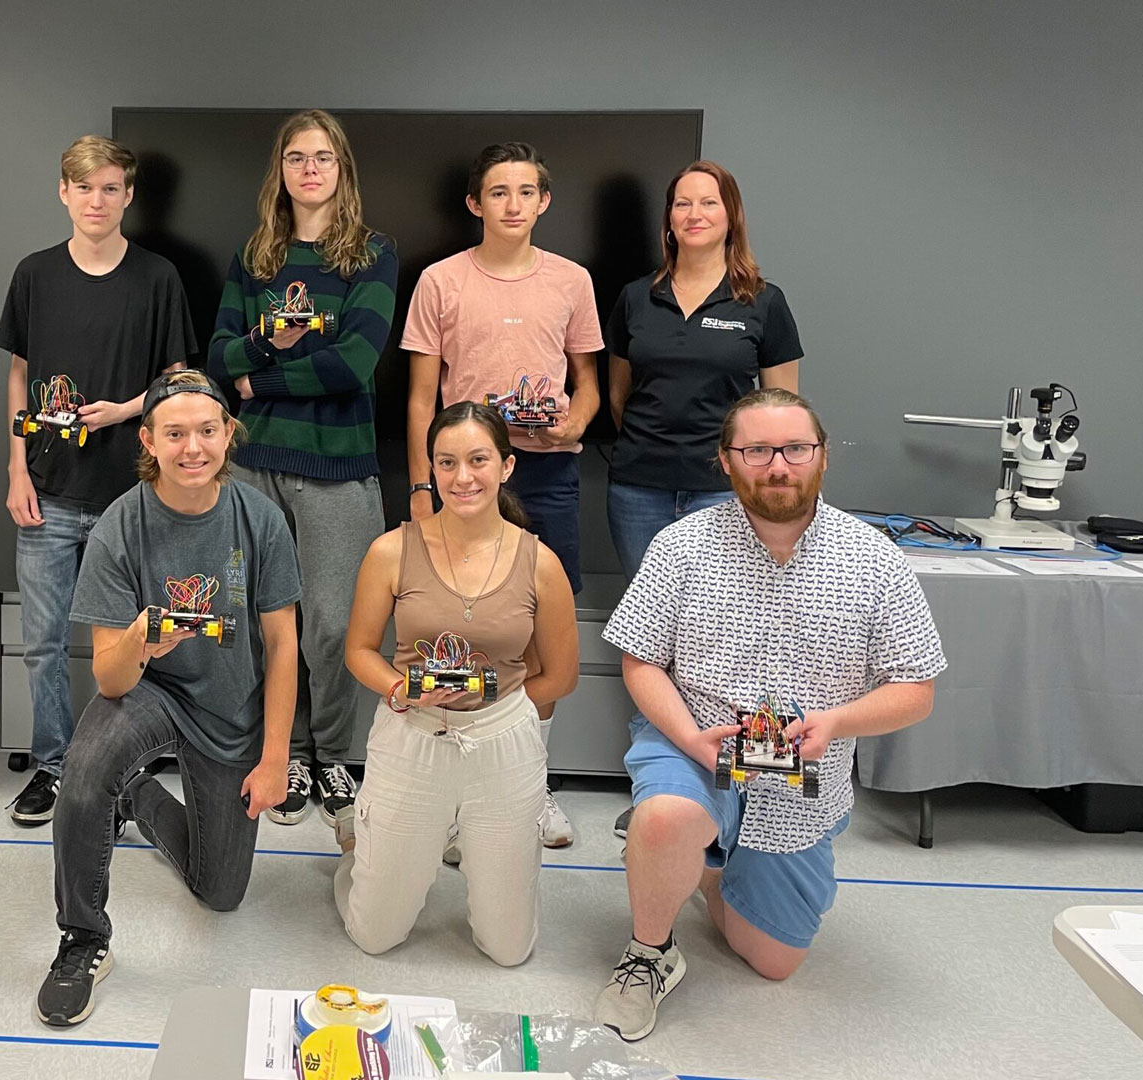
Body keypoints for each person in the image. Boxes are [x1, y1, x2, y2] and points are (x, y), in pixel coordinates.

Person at [591, 388, 944, 1041]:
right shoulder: (681, 546)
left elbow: (916, 686)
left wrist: (838, 723)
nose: (777, 465)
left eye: (794, 448)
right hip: (695, 736)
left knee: (776, 962)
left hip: (805, 771)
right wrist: (693, 741)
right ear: (726, 461)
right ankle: (649, 948)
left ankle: (697, 864)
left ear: (822, 457)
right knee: (670, 817)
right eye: (756, 450)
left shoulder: (875, 561)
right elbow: (640, 661)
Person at [39, 370, 301, 1028]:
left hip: (228, 706)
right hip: (151, 690)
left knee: (220, 894)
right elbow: (110, 681)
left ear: (228, 435)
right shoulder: (120, 527)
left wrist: (274, 759)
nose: (193, 447)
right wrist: (138, 639)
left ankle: (139, 801)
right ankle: (83, 938)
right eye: (175, 433)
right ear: (149, 441)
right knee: (82, 774)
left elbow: (284, 647)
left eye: (207, 431)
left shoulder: (260, 519)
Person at [401, 141, 604, 847]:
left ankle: (530, 792)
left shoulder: (572, 281)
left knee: (541, 636)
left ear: (544, 202)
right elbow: (422, 398)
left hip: (547, 476)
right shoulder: (440, 281)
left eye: (526, 192)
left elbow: (591, 385)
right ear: (475, 203)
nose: (513, 205)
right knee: (454, 626)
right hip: (462, 482)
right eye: (498, 192)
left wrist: (572, 422)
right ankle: (455, 798)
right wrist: (424, 486)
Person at [0, 135, 199, 825]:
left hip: (132, 497)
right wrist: (16, 466)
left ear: (129, 196)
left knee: (134, 643)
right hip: (48, 492)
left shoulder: (157, 278)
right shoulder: (34, 275)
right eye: (84, 188)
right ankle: (54, 769)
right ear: (63, 192)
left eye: (110, 188)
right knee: (46, 643)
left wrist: (127, 409)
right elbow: (20, 374)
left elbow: (180, 383)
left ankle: (122, 772)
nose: (96, 200)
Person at [207, 109, 399, 826]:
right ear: (280, 171)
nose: (310, 169)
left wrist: (262, 379)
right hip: (252, 466)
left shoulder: (372, 255)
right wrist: (257, 355)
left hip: (337, 468)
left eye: (323, 157)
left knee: (331, 625)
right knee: (264, 621)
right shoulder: (255, 257)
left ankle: (333, 758)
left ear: (341, 168)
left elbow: (353, 363)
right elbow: (219, 357)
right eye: (296, 157)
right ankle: (280, 752)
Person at [337, 402, 578, 966]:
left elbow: (560, 676)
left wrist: (497, 707)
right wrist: (401, 691)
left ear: (507, 467)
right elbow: (358, 651)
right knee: (374, 936)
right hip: (410, 733)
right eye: (446, 463)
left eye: (478, 460)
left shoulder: (541, 563)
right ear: (431, 469)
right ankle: (360, 844)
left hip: (503, 742)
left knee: (508, 950)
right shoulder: (391, 550)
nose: (462, 477)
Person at [606, 160, 804, 840]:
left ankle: (741, 784)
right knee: (651, 644)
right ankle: (660, 785)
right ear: (669, 220)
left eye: (708, 203)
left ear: (730, 216)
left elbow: (783, 411)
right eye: (682, 203)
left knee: (726, 641)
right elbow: (618, 395)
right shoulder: (637, 297)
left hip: (724, 494)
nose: (694, 213)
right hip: (639, 487)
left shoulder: (763, 302)